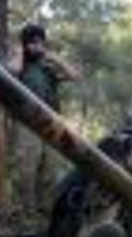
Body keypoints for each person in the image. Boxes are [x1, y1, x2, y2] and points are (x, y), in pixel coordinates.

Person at [9, 23, 82, 218]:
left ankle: (45, 213)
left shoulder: (47, 65)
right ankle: (23, 212)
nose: (36, 46)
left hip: (52, 122)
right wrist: (20, 52)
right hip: (27, 121)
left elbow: (74, 76)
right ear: (25, 44)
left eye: (40, 42)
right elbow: (13, 71)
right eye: (32, 42)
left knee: (50, 168)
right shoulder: (20, 63)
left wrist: (53, 57)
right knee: (25, 167)